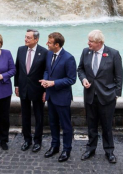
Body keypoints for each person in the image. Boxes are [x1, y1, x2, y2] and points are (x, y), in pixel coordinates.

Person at [77, 30, 122, 163]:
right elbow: (80, 69)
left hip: (107, 96)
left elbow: (119, 77)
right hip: (90, 95)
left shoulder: (113, 54)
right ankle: (90, 148)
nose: (88, 43)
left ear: (100, 43)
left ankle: (109, 151)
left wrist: (116, 94)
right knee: (91, 125)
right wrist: (83, 79)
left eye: (91, 41)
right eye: (88, 40)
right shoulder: (86, 52)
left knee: (107, 126)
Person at [39, 32, 76, 162]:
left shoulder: (69, 58)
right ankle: (54, 146)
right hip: (51, 96)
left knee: (66, 125)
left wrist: (53, 83)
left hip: (62, 97)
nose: (46, 44)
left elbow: (71, 80)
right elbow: (47, 70)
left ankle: (66, 150)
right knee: (53, 123)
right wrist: (45, 80)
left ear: (57, 44)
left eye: (49, 42)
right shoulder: (49, 54)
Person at [14, 29, 48, 152]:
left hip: (38, 90)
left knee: (39, 117)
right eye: (25, 37)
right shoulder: (21, 50)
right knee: (25, 116)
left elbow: (46, 72)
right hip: (23, 89)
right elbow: (17, 68)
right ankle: (27, 140)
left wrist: (45, 91)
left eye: (28, 38)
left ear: (36, 39)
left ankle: (37, 141)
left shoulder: (44, 52)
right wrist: (16, 86)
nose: (26, 39)